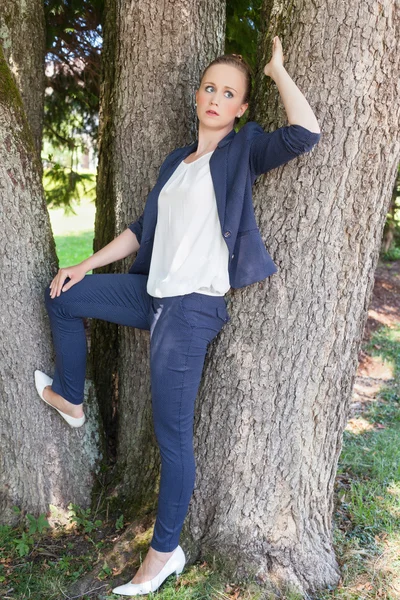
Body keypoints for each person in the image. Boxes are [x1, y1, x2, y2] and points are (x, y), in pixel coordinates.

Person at [34, 36, 321, 596]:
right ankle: (71, 398)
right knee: (63, 297)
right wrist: (83, 266)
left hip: (190, 309)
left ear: (241, 109)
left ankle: (164, 553)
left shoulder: (241, 151)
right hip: (153, 295)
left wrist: (278, 71)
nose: (216, 98)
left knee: (172, 438)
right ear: (198, 96)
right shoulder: (177, 161)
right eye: (210, 88)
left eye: (229, 93)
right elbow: (142, 231)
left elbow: (307, 133)